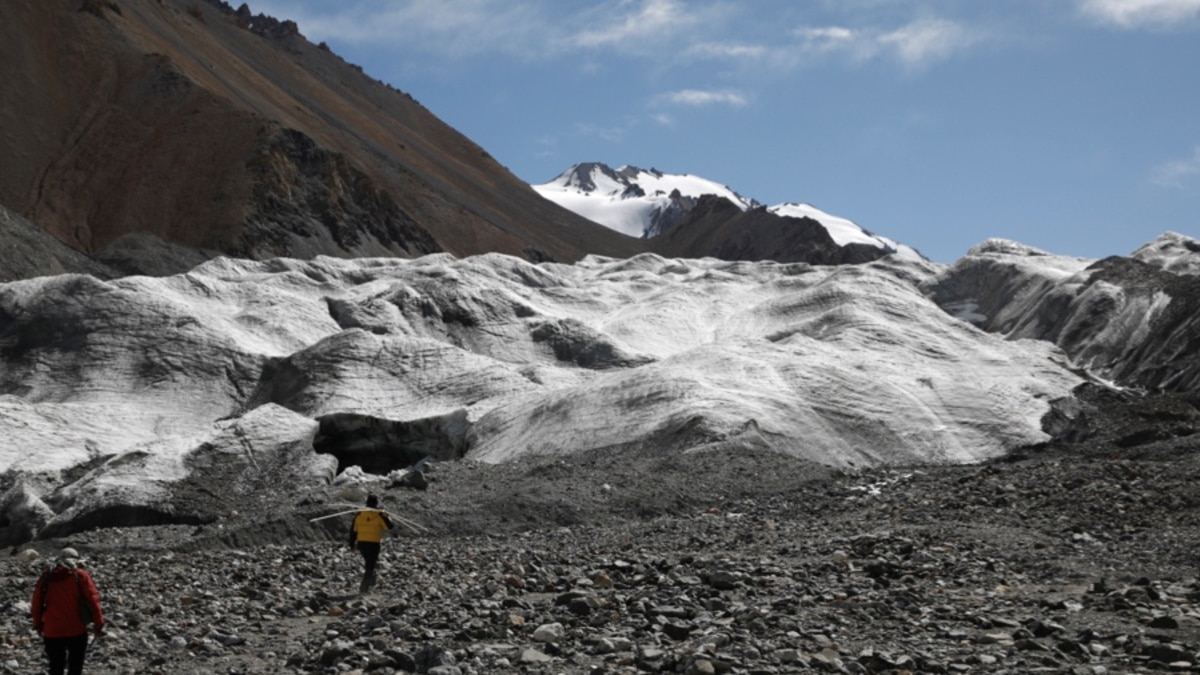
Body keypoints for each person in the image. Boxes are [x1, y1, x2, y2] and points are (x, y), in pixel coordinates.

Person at [30, 547, 105, 675]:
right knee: (75, 667)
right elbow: (94, 601)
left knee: (55, 667)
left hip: (52, 631)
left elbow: (36, 603)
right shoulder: (80, 576)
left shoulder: (47, 576)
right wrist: (99, 624)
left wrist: (38, 625)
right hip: (77, 630)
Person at [349, 494, 393, 593]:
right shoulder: (379, 515)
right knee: (370, 565)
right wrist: (388, 516)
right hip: (374, 543)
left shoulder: (359, 514)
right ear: (376, 503)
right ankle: (364, 588)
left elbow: (353, 530)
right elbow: (389, 527)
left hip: (362, 543)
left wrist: (352, 544)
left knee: (369, 563)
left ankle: (371, 581)